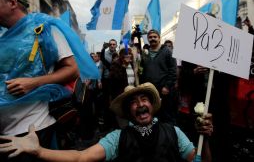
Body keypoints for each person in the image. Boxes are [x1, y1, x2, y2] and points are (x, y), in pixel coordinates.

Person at [0, 0, 99, 161]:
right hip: (3, 130)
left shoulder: (44, 29)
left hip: (34, 129)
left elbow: (72, 69)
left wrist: (33, 83)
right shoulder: (2, 35)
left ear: (12, 3)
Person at [0, 82, 213, 162]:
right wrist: (39, 151)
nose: (140, 105)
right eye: (134, 102)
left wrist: (206, 138)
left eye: (144, 99)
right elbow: (80, 157)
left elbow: (201, 161)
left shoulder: (174, 132)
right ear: (128, 112)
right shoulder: (117, 138)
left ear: (152, 105)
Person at [140, 29, 178, 124]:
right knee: (153, 114)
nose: (152, 39)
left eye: (155, 37)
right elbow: (142, 70)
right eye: (150, 37)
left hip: (164, 90)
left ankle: (169, 135)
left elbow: (173, 70)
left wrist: (167, 86)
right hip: (150, 90)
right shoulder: (145, 53)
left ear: (159, 38)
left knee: (166, 115)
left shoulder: (167, 51)